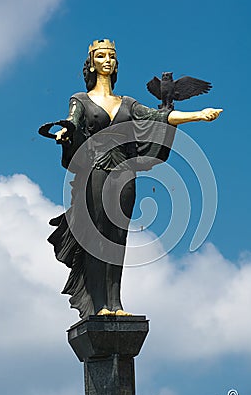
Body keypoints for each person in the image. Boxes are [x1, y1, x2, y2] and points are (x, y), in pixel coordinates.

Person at [48, 39, 222, 318]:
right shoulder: (80, 99)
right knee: (98, 235)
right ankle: (99, 304)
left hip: (124, 171)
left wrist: (198, 116)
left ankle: (115, 304)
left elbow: (159, 117)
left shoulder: (127, 103)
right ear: (91, 63)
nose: (107, 60)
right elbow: (72, 121)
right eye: (101, 56)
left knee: (118, 237)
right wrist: (64, 133)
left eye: (111, 56)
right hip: (96, 169)